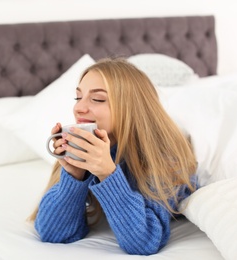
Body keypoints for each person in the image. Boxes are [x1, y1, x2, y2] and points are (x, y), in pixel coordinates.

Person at [29, 57, 197, 255]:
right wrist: (74, 176)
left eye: (98, 99)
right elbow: (53, 233)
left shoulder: (162, 156)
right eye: (78, 97)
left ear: (131, 107)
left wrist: (108, 174)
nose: (79, 108)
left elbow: (144, 242)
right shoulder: (86, 147)